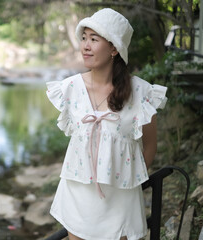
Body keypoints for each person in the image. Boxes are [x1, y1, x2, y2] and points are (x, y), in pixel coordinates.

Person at [46, 8, 167, 240]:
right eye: (84, 38)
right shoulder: (69, 89)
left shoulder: (141, 92)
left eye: (94, 39)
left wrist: (126, 177)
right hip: (78, 195)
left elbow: (150, 146)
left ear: (114, 48)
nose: (85, 46)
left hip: (120, 200)